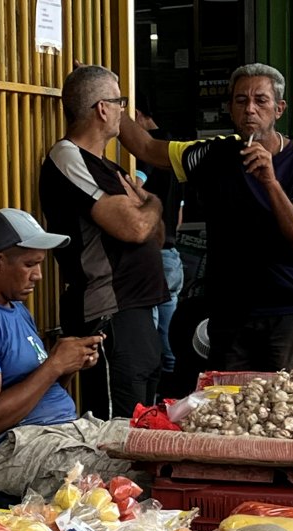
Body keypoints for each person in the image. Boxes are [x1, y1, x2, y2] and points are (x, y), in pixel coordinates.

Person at [118, 63, 293, 372]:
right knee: (228, 406)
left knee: (285, 409)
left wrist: (270, 182)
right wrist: (109, 98)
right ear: (230, 109)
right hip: (231, 310)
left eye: (261, 101)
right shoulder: (212, 155)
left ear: (279, 109)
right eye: (241, 101)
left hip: (291, 308)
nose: (250, 110)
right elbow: (147, 147)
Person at [0, 208, 137, 499]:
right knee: (131, 478)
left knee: (151, 448)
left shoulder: (16, 308)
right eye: (30, 264)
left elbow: (39, 391)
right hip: (15, 449)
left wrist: (69, 365)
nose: (38, 276)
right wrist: (54, 365)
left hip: (61, 431)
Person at [39, 64, 166, 419]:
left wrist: (146, 208)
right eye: (120, 101)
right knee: (119, 432)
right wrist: (151, 200)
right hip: (110, 314)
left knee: (145, 426)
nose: (123, 111)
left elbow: (157, 234)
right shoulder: (67, 156)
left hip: (139, 311)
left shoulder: (111, 167)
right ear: (102, 108)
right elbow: (137, 227)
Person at [134, 93, 183, 381]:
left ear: (138, 115)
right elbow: (179, 215)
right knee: (170, 337)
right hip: (173, 255)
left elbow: (136, 183)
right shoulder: (173, 153)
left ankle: (153, 398)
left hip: (153, 255)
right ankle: (177, 392)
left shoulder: (151, 149)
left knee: (149, 336)